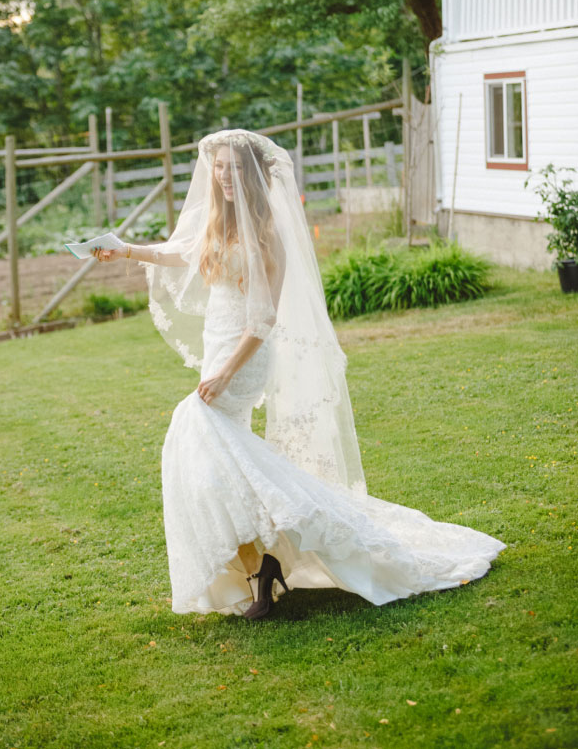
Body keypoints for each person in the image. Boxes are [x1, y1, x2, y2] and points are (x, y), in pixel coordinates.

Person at [92, 128, 505, 619]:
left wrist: (225, 374)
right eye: (218, 166)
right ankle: (262, 569)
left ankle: (268, 561)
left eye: (234, 167)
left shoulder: (267, 235)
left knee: (200, 445)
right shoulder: (217, 223)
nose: (224, 175)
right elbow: (177, 252)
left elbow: (263, 321)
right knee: (227, 463)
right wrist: (125, 250)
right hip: (217, 347)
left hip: (242, 356)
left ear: (253, 174)